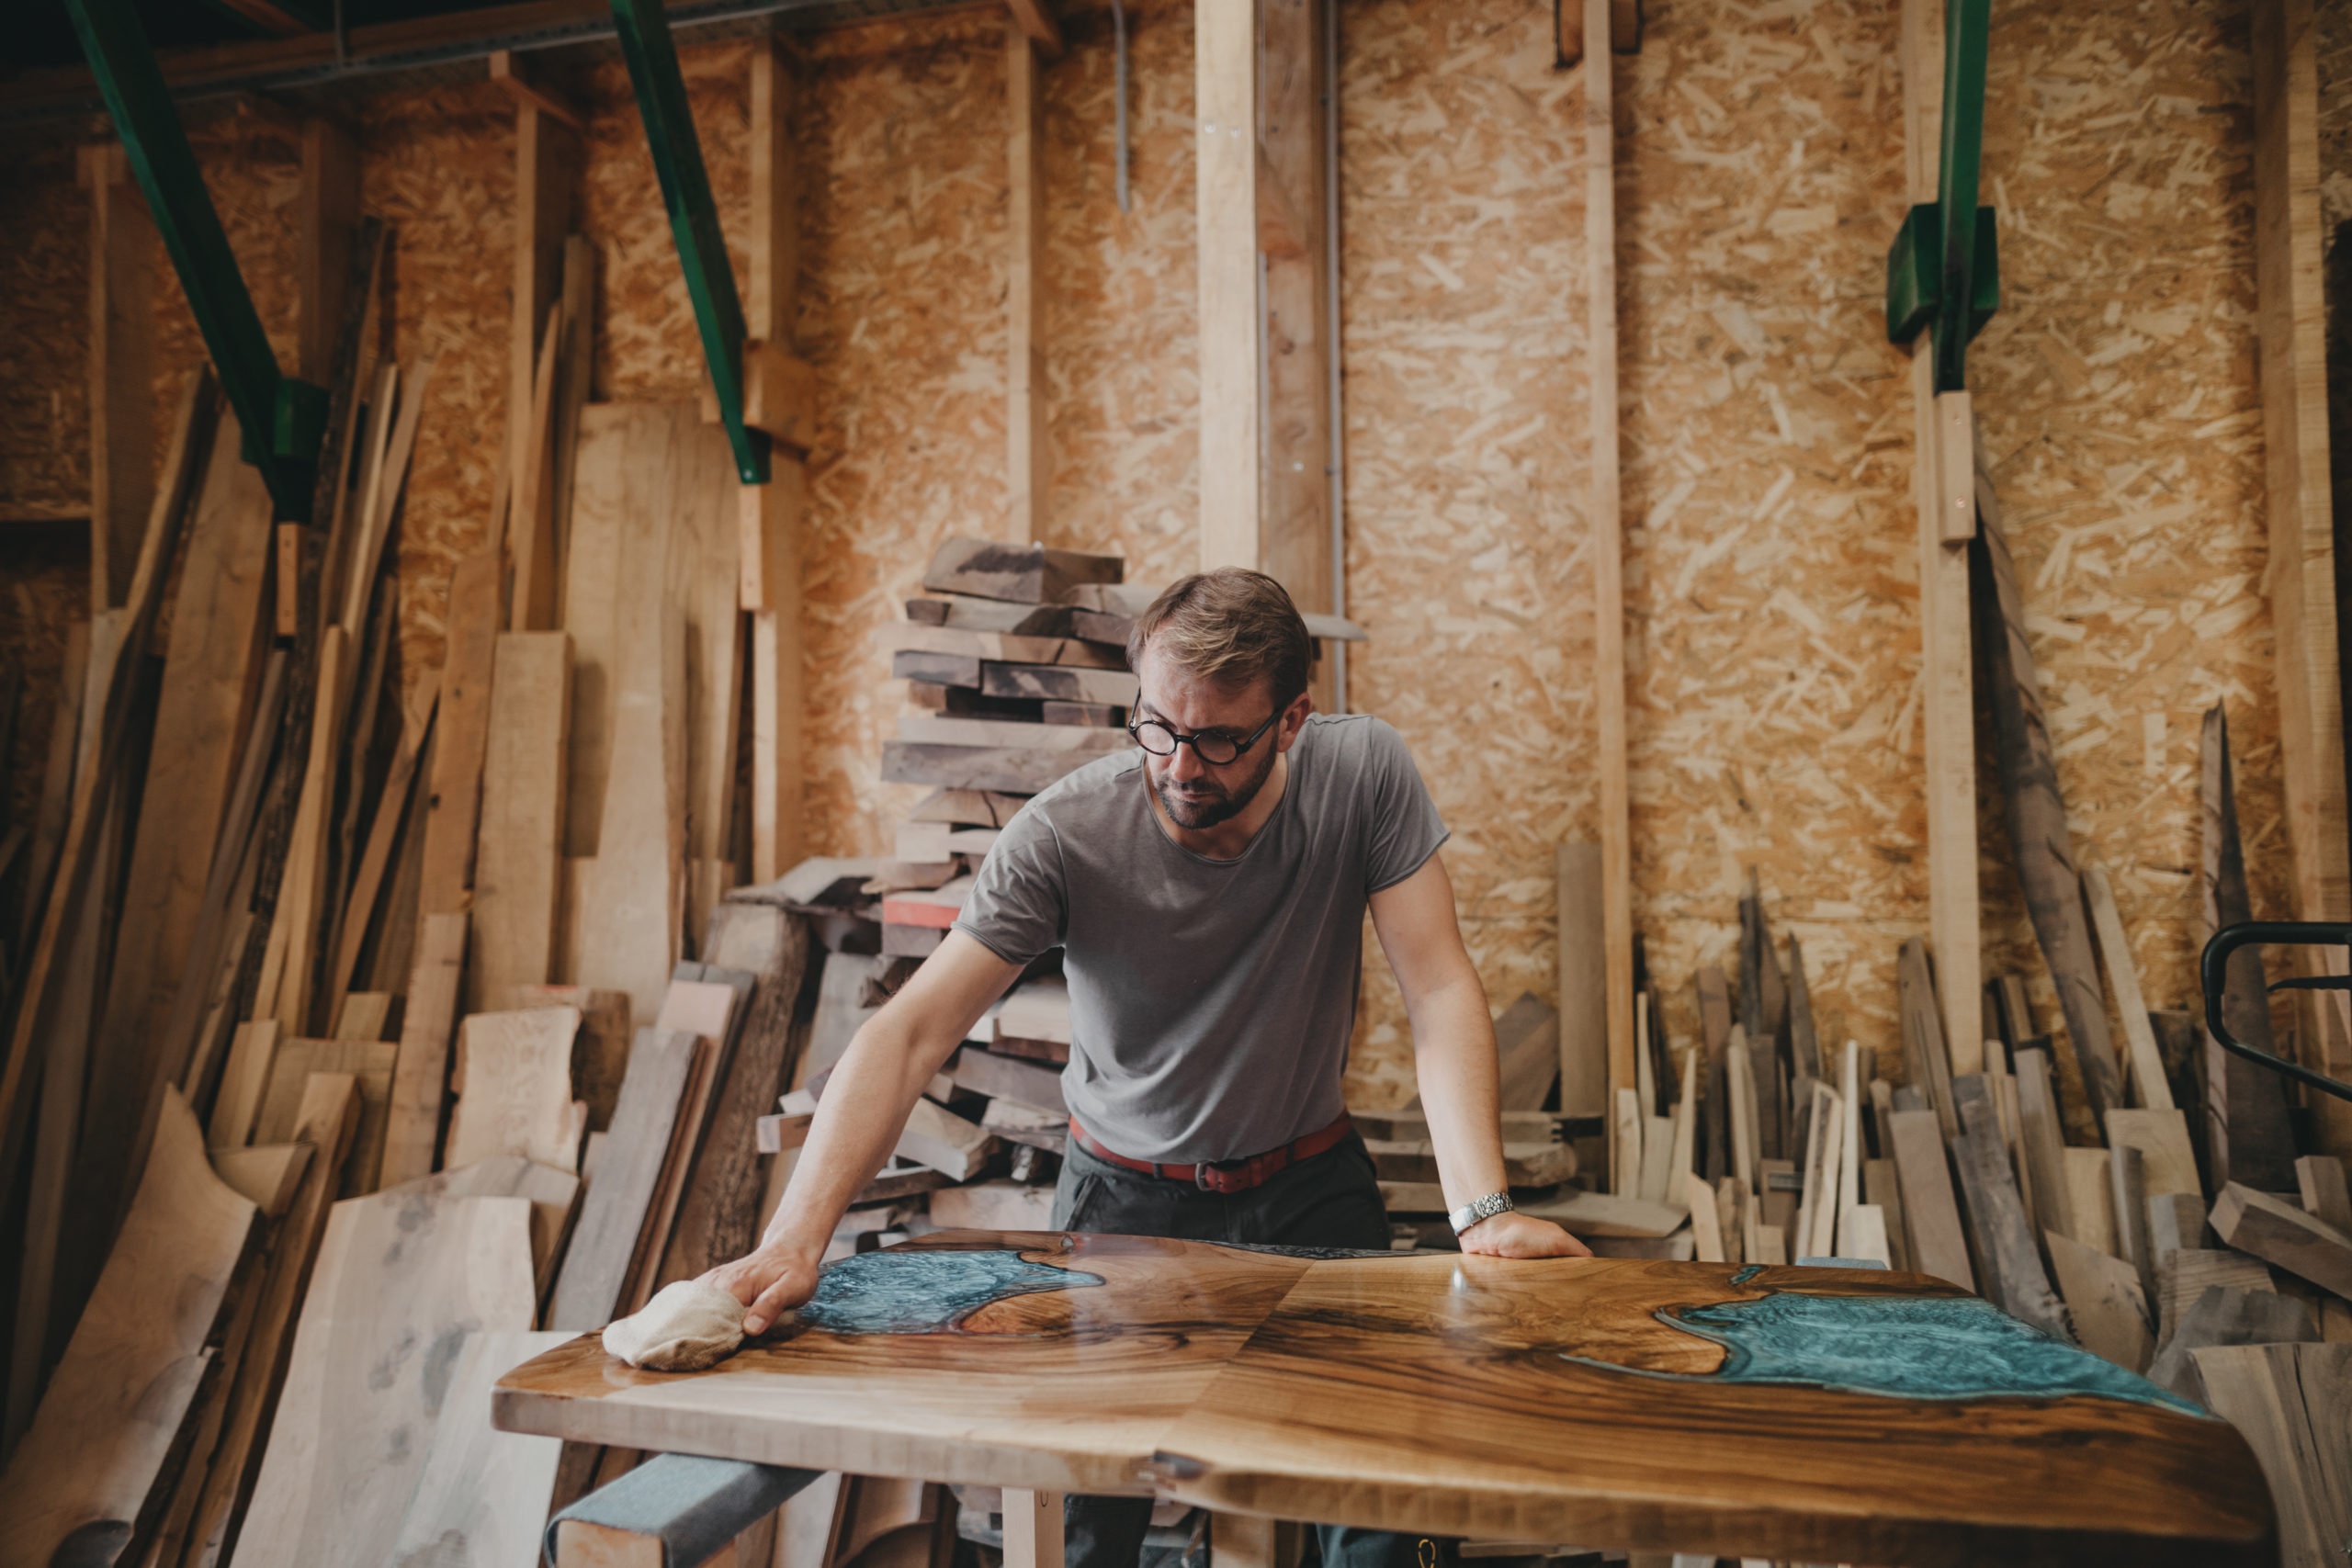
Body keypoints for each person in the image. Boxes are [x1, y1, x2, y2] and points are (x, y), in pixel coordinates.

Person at [707, 567, 1589, 1568]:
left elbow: (1436, 987)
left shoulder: (1364, 774)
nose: (1177, 765)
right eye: (1156, 725)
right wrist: (792, 1238)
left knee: (1379, 1506)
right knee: (1090, 1527)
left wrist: (1483, 1214)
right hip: (1123, 1212)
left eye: (1218, 739)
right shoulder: (1064, 834)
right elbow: (910, 1032)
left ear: (1292, 719)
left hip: (1311, 1195)